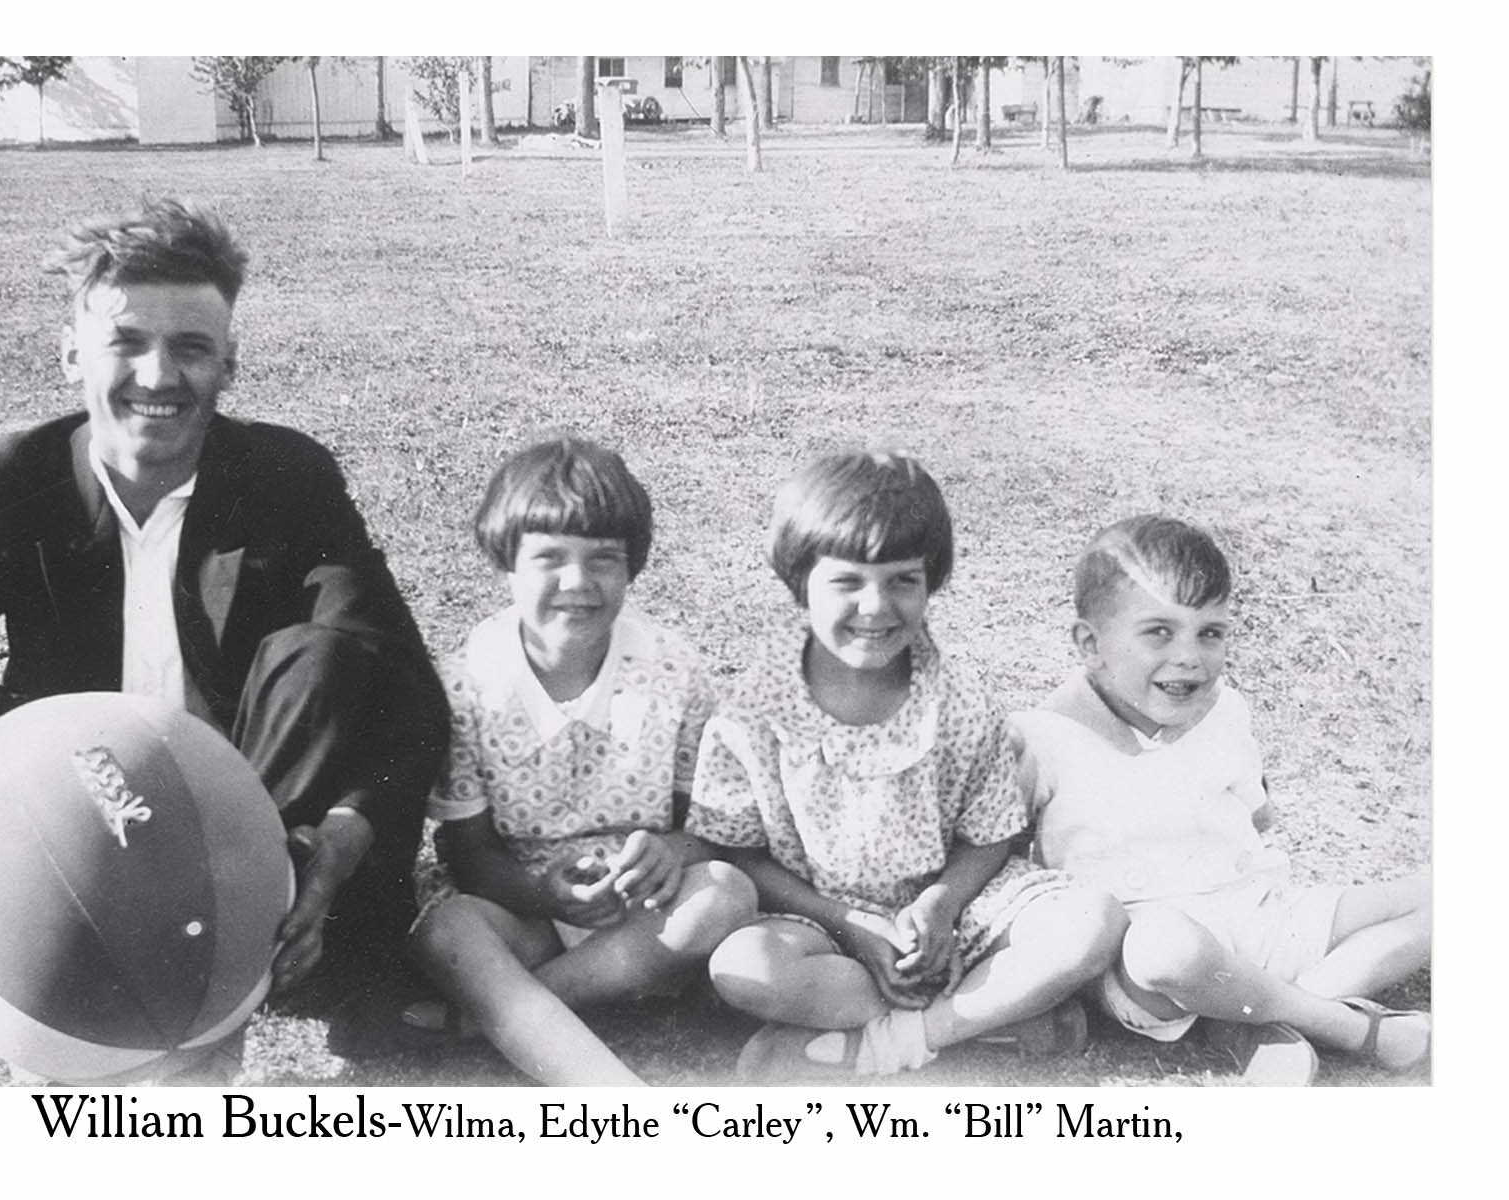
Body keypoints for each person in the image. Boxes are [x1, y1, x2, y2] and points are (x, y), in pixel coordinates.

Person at [0, 198, 449, 1072]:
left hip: (250, 824)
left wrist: (343, 839)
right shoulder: (15, 478)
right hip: (84, 810)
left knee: (326, 658)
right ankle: (55, 941)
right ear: (71, 353)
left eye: (191, 346)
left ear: (228, 362)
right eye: (126, 341)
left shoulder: (286, 474)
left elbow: (405, 691)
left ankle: (235, 956)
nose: (159, 375)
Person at [690, 450, 1124, 1079]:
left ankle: (896, 1039)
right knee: (744, 968)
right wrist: (850, 924)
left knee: (1093, 921)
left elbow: (992, 832)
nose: (876, 606)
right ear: (799, 581)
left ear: (930, 582)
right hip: (821, 922)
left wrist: (941, 907)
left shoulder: (959, 698)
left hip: (957, 910)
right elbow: (737, 852)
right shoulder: (753, 711)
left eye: (902, 581)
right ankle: (993, 1016)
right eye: (847, 582)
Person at [1011, 514, 1431, 1084]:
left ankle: (1253, 1016)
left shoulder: (1226, 710)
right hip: (1150, 962)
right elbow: (1008, 870)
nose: (1190, 656)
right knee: (1168, 948)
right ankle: (1345, 1025)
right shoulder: (1043, 736)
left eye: (1210, 633)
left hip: (1259, 916)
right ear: (1092, 644)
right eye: (1159, 632)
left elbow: (1256, 817)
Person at [407, 438, 757, 1085]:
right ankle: (611, 1090)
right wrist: (542, 894)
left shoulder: (674, 670)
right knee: (448, 931)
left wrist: (670, 852)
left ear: (632, 566)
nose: (577, 583)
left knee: (726, 893)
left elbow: (710, 827)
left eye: (603, 560)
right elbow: (468, 854)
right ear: (506, 562)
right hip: (524, 908)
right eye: (549, 559)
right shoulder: (465, 685)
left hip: (640, 914)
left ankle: (503, 1014)